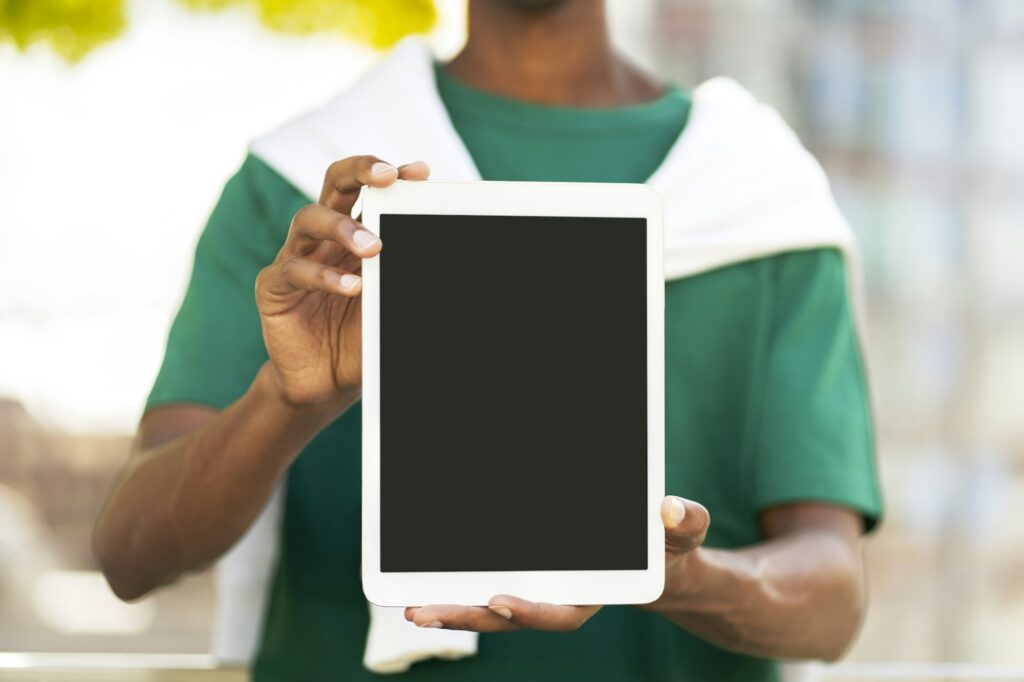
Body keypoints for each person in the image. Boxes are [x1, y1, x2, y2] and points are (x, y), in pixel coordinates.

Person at [93, 1, 883, 680]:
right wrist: (285, 399)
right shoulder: (300, 190)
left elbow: (834, 596)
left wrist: (674, 577)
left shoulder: (758, 197)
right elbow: (132, 553)